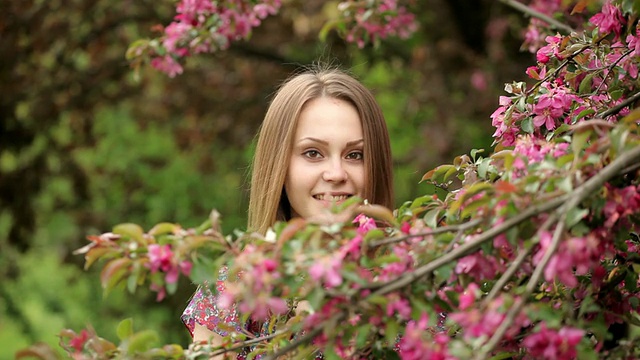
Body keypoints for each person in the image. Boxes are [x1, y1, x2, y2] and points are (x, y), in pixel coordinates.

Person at [180, 66, 395, 358]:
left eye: (355, 155)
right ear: (280, 165)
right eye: (313, 153)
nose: (335, 173)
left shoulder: (411, 279)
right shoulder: (235, 286)